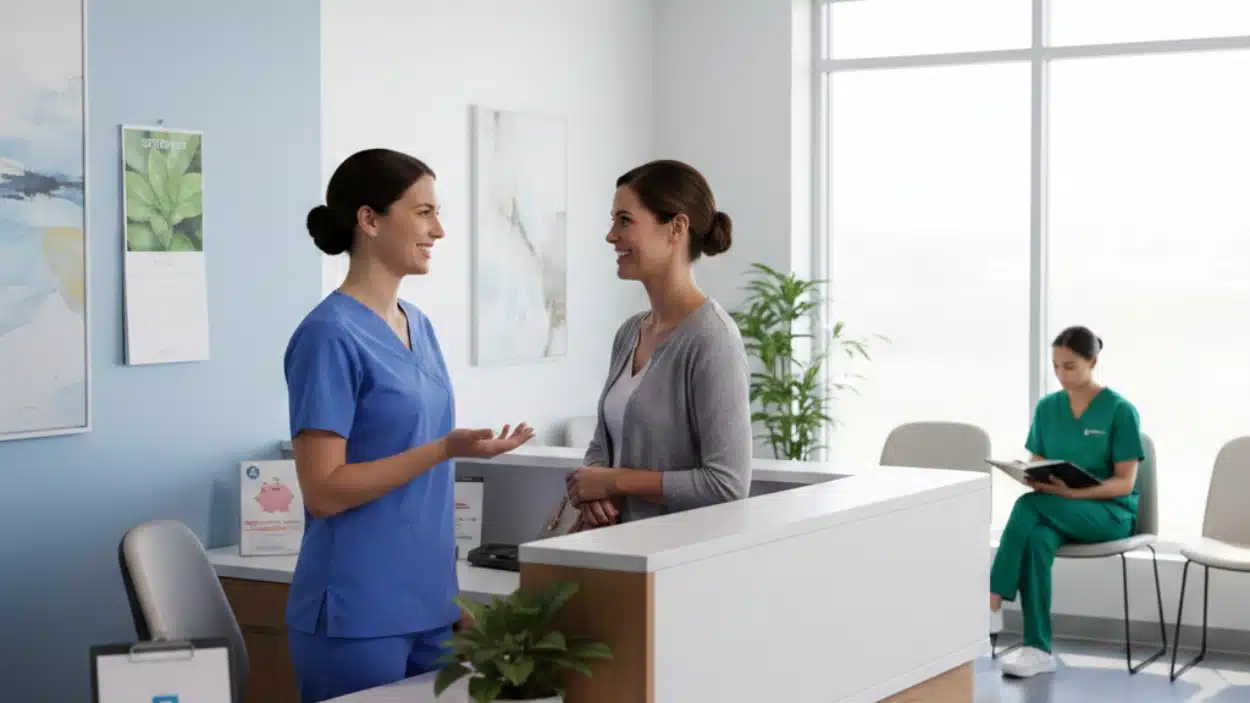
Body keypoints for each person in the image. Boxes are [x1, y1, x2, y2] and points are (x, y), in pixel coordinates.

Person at [283, 148, 535, 702]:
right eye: (423, 213)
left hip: (431, 607)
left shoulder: (416, 324)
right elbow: (323, 490)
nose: (439, 230)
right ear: (369, 220)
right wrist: (444, 449)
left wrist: (451, 602)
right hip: (357, 611)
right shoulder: (328, 336)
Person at [565, 159, 753, 526]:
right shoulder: (629, 334)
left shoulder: (713, 339)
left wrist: (614, 481)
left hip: (675, 566)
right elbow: (601, 450)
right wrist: (592, 489)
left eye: (624, 221)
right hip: (619, 555)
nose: (610, 235)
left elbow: (727, 485)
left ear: (676, 228)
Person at [989, 325, 1145, 678]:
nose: (1061, 375)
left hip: (1110, 514)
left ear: (1092, 361)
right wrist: (1035, 478)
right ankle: (1037, 648)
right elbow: (1037, 462)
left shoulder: (1120, 411)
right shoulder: (1047, 408)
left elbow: (1123, 483)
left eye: (1070, 366)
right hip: (1059, 509)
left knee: (1028, 507)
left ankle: (994, 593)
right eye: (1056, 366)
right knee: (1037, 538)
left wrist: (1075, 493)